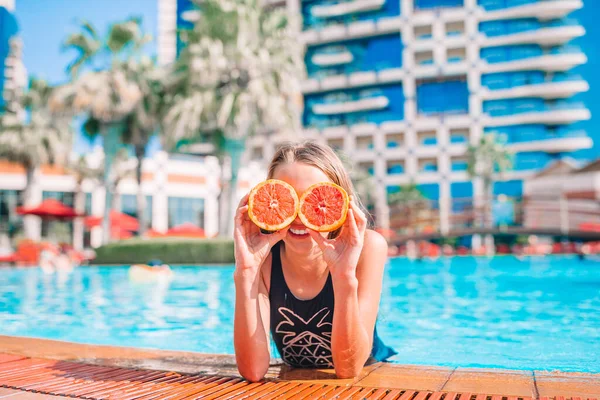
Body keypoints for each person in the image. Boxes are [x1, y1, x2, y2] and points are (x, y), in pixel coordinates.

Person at [233, 141, 396, 382]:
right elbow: (253, 371)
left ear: (340, 203)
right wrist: (246, 272)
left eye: (314, 200)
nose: (299, 217)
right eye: (287, 200)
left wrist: (343, 275)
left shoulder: (367, 247)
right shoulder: (263, 258)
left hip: (370, 374)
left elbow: (348, 370)